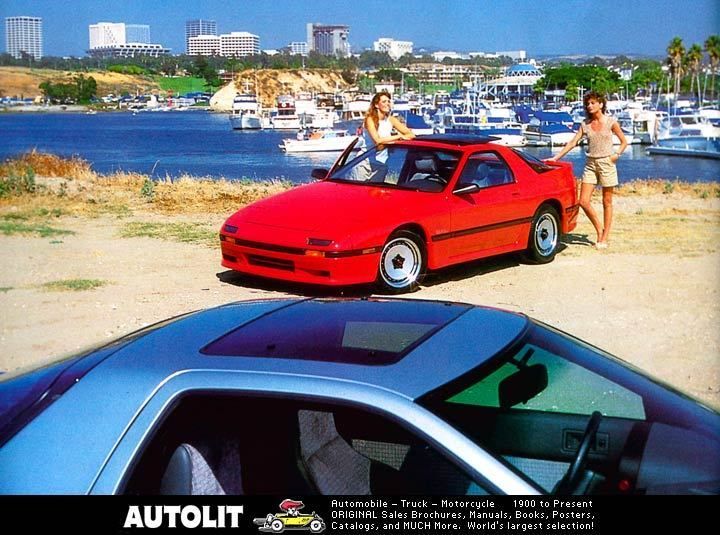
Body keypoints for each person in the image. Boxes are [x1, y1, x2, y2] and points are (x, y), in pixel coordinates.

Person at [547, 91, 627, 249]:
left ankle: (604, 237)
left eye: (593, 103)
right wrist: (555, 158)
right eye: (588, 104)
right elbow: (572, 143)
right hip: (590, 164)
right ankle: (599, 229)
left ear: (601, 104)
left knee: (607, 201)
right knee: (583, 201)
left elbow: (624, 142)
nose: (590, 106)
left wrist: (616, 155)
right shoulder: (585, 124)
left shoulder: (611, 122)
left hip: (607, 163)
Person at [362, 91, 415, 164]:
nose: (387, 104)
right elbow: (378, 140)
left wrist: (401, 138)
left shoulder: (391, 119)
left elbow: (411, 135)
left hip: (382, 162)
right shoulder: (370, 119)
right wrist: (399, 136)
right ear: (377, 105)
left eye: (388, 101)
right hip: (365, 161)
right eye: (384, 102)